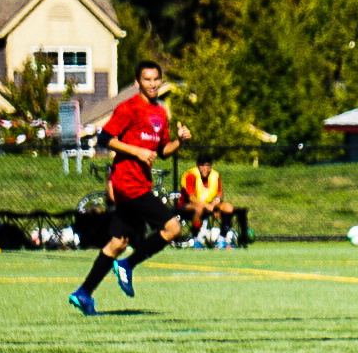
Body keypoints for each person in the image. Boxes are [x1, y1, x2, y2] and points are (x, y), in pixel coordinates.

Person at [68, 61, 191, 315]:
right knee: (172, 226)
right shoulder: (129, 108)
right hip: (128, 183)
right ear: (137, 83)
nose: (153, 84)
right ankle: (128, 266)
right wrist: (135, 151)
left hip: (139, 183)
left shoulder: (160, 112)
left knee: (118, 242)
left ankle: (83, 293)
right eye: (147, 79)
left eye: (156, 79)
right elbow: (104, 138)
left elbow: (162, 152)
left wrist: (180, 141)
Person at [182, 152, 235, 244]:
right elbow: (191, 198)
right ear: (197, 165)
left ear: (211, 166)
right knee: (199, 209)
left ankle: (222, 239)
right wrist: (208, 206)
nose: (204, 169)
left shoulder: (216, 175)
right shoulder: (191, 175)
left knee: (228, 207)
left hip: (210, 204)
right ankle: (196, 239)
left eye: (207, 165)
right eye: (201, 165)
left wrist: (214, 205)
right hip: (189, 205)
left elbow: (219, 194)